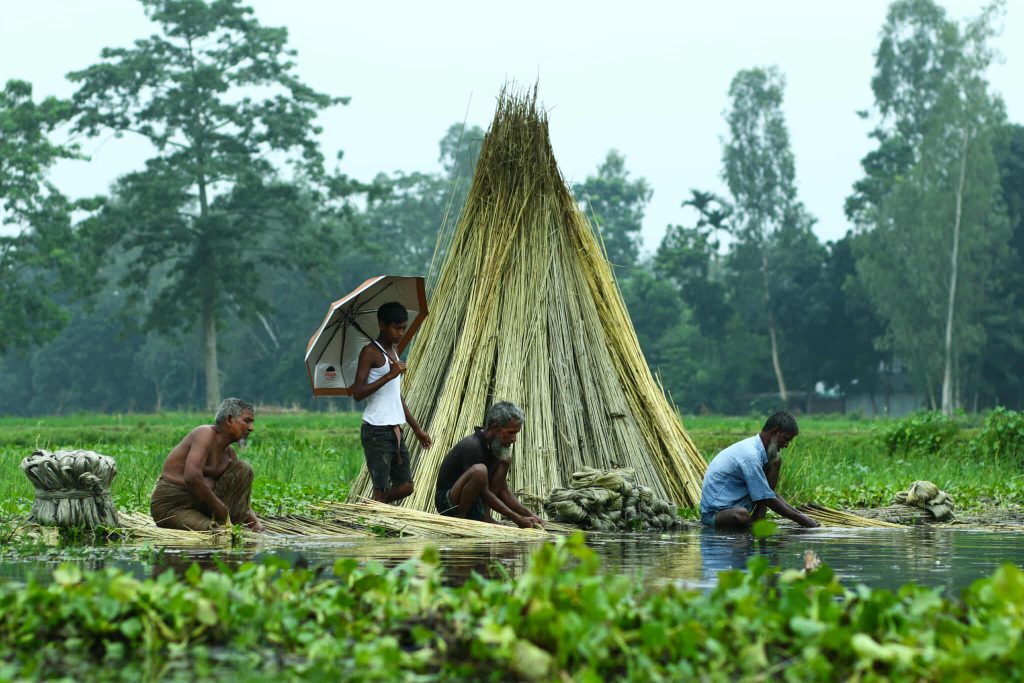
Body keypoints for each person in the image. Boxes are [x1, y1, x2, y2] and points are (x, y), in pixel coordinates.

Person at [351, 301, 432, 503]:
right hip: (376, 430)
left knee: (406, 486)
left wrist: (417, 429)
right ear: (382, 325)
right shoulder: (370, 352)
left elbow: (396, 397)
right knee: (381, 488)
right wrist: (389, 375)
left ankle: (371, 505)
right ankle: (375, 507)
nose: (400, 333)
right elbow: (357, 393)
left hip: (395, 429)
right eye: (396, 328)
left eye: (403, 328)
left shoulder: (393, 352)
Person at [150, 397, 264, 532]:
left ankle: (226, 522)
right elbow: (192, 477)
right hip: (174, 507)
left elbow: (240, 496)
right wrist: (221, 509)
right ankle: (219, 524)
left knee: (243, 469)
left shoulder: (229, 454)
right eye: (247, 421)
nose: (251, 428)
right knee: (217, 533)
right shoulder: (205, 434)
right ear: (229, 419)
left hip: (204, 507)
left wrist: (254, 521)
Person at [700, 411, 819, 530]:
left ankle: (759, 516)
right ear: (774, 432)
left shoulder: (760, 452)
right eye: (785, 439)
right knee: (741, 516)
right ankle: (754, 521)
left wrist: (801, 516)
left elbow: (768, 493)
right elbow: (766, 497)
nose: (786, 445)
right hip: (716, 514)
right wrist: (803, 520)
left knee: (776, 460)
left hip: (738, 505)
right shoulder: (750, 455)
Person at [434, 401, 543, 529]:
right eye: (510, 432)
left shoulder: (495, 448)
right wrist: (516, 518)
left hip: (474, 501)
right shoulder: (473, 446)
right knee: (480, 471)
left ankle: (485, 516)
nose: (514, 439)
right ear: (494, 427)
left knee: (505, 460)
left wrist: (530, 515)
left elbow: (502, 490)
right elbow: (483, 492)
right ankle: (460, 518)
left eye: (516, 433)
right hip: (448, 502)